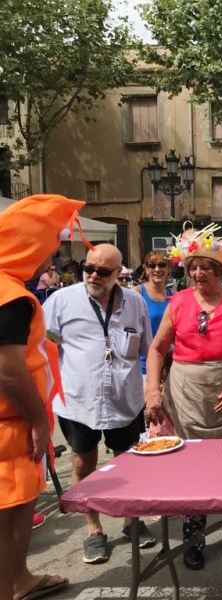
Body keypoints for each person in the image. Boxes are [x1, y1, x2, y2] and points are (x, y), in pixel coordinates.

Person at [144, 225, 222, 570]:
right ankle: (193, 537)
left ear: (220, 270)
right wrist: (152, 391)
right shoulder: (177, 302)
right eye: (193, 266)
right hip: (186, 393)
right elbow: (156, 349)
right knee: (192, 465)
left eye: (206, 267)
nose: (198, 273)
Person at [44, 243, 154, 564]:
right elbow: (45, 349)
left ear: (118, 273)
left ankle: (131, 520)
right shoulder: (61, 301)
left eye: (103, 271)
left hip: (126, 399)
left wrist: (153, 390)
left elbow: (147, 348)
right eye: (87, 267)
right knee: (83, 464)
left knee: (128, 463)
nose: (93, 275)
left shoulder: (134, 303)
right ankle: (93, 529)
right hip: (79, 401)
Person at [0, 195, 83, 600]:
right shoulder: (8, 295)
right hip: (9, 427)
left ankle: (20, 580)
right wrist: (37, 420)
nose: (50, 263)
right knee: (8, 516)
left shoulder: (10, 288)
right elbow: (6, 368)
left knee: (17, 512)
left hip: (13, 424)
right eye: (48, 250)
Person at [134, 250, 174, 374]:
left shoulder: (173, 296)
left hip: (169, 365)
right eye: (152, 265)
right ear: (146, 269)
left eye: (162, 265)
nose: (157, 269)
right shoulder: (136, 294)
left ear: (169, 269)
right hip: (143, 365)